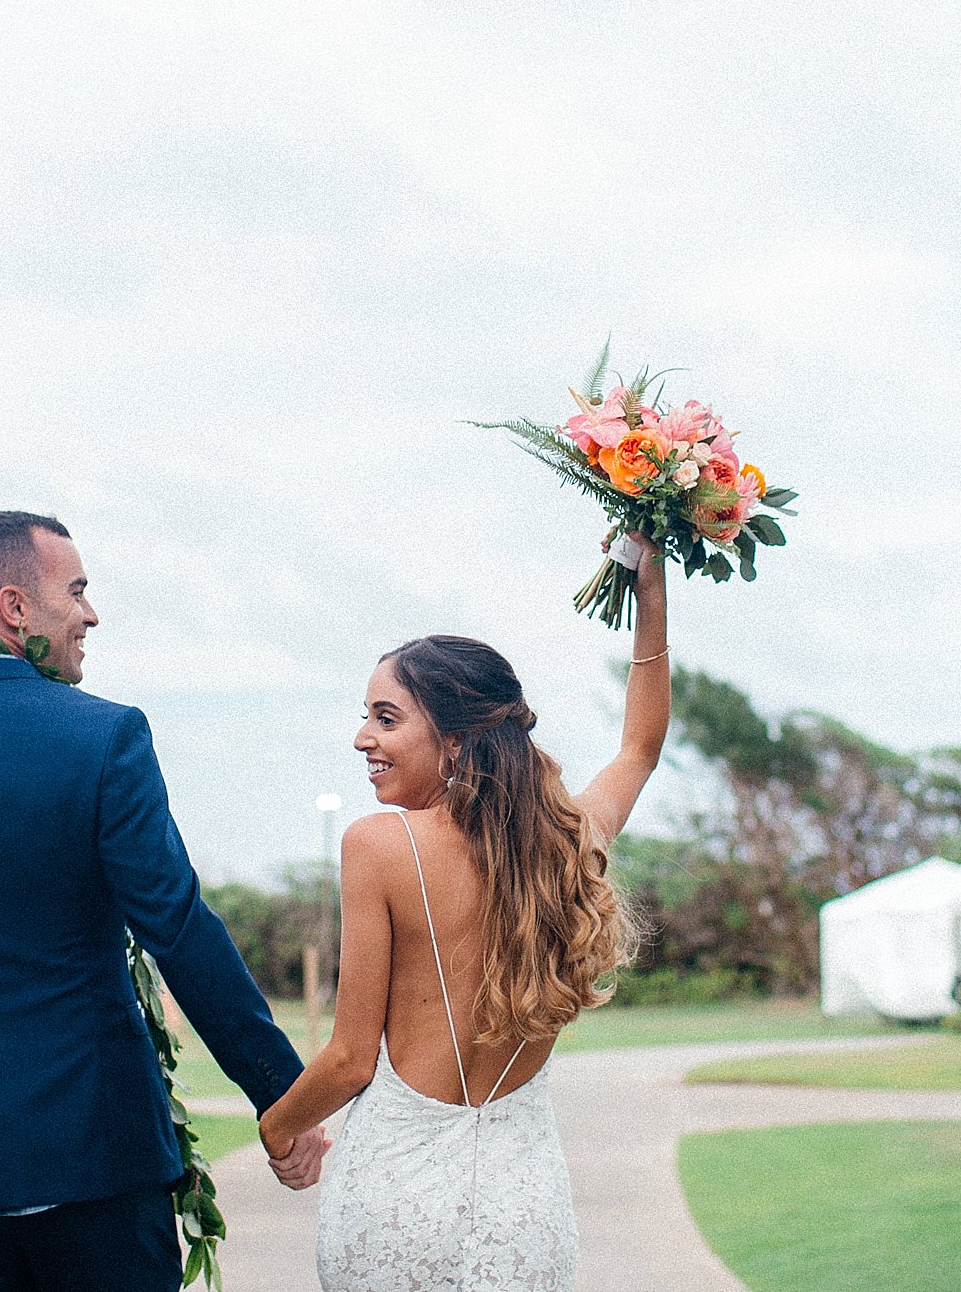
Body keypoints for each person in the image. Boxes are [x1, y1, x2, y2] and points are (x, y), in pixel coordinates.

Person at [0, 510, 327, 1292]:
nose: (91, 613)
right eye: (76, 590)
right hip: (94, 1161)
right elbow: (178, 927)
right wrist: (281, 1093)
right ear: (15, 608)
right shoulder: (105, 739)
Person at [254, 534, 672, 1291]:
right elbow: (641, 746)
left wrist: (279, 1127)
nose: (363, 737)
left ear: (453, 740)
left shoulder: (378, 845)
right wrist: (650, 585)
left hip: (394, 1204)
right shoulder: (567, 844)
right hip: (524, 1216)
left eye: (386, 717)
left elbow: (350, 1058)